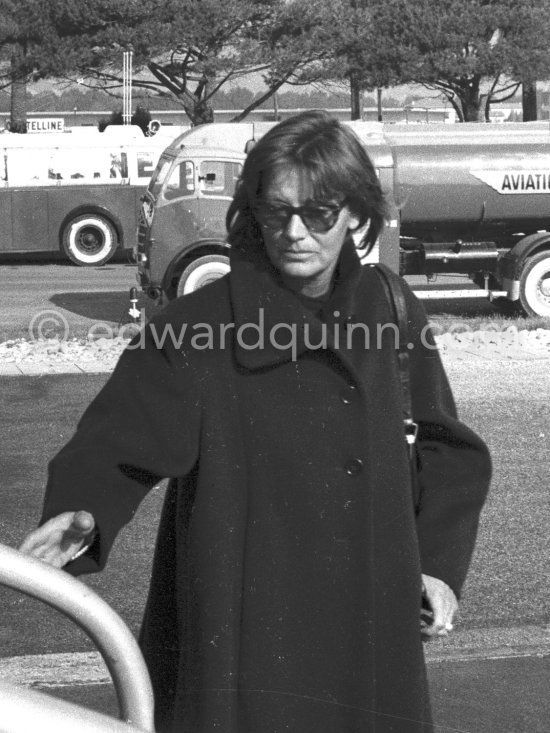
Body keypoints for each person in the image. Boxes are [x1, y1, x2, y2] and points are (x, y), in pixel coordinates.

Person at [20, 110, 491, 733]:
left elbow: (448, 450)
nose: (295, 231)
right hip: (241, 635)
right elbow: (115, 445)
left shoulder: (391, 310)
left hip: (372, 627)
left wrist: (435, 566)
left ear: (356, 215)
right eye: (276, 211)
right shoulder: (192, 329)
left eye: (319, 212)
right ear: (252, 212)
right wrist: (84, 510)